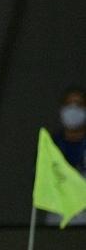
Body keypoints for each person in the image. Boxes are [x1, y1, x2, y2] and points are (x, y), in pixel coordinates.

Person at [46, 87, 86, 225]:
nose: (73, 109)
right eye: (68, 104)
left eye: (78, 104)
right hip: (58, 213)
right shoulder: (52, 144)